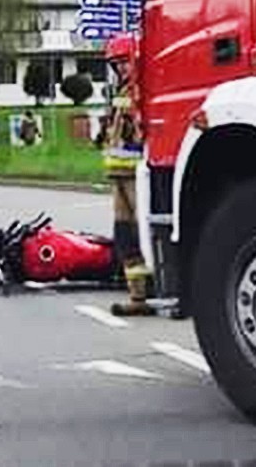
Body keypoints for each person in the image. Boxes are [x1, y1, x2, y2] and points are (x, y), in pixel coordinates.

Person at [103, 33, 153, 317]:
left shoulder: (140, 89)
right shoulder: (122, 91)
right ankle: (137, 296)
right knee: (124, 235)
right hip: (118, 176)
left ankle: (149, 290)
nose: (121, 68)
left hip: (135, 175)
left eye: (124, 62)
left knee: (139, 231)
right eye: (116, 64)